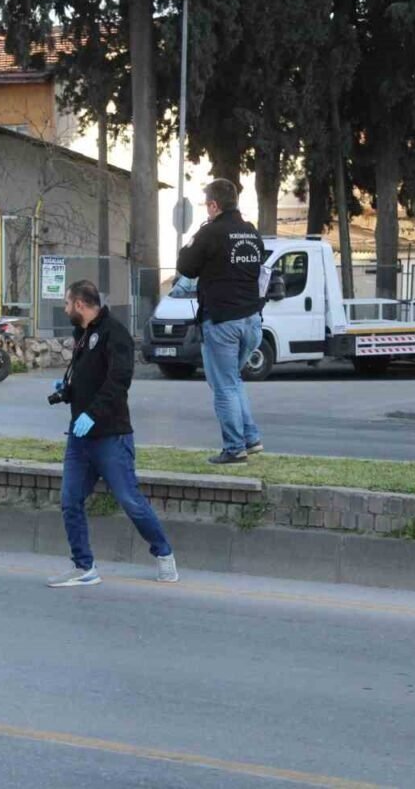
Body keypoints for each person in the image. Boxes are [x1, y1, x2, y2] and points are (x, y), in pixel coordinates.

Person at [46, 279, 177, 588]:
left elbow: (117, 382)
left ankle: (164, 554)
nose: (65, 310)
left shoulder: (114, 334)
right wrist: (68, 392)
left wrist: (92, 414)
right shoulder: (83, 334)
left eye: (67, 304)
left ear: (80, 304)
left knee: (130, 500)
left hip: (110, 436)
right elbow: (88, 379)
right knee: (70, 500)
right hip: (80, 438)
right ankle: (84, 567)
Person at [176, 178, 266, 465]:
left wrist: (196, 238)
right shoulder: (251, 233)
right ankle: (251, 439)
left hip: (223, 321)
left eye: (206, 205)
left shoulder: (211, 232)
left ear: (214, 205)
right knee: (233, 381)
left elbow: (185, 266)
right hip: (252, 321)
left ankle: (234, 447)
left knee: (224, 386)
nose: (206, 210)